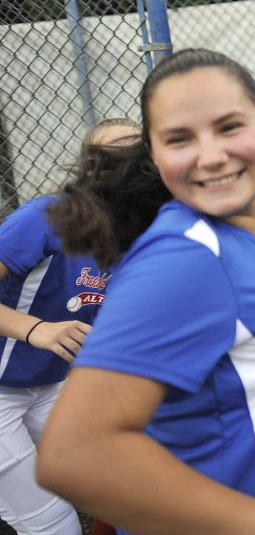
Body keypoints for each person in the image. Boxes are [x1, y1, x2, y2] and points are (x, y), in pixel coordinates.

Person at [35, 49, 255, 535]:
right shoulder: (187, 257)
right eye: (179, 138)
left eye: (228, 127)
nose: (211, 155)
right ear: (155, 155)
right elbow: (74, 453)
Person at [0, 118, 137, 535]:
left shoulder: (138, 233)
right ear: (87, 170)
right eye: (108, 159)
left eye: (137, 155)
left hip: (50, 381)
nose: (125, 168)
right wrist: (36, 328)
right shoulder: (45, 218)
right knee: (53, 523)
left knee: (128, 477)